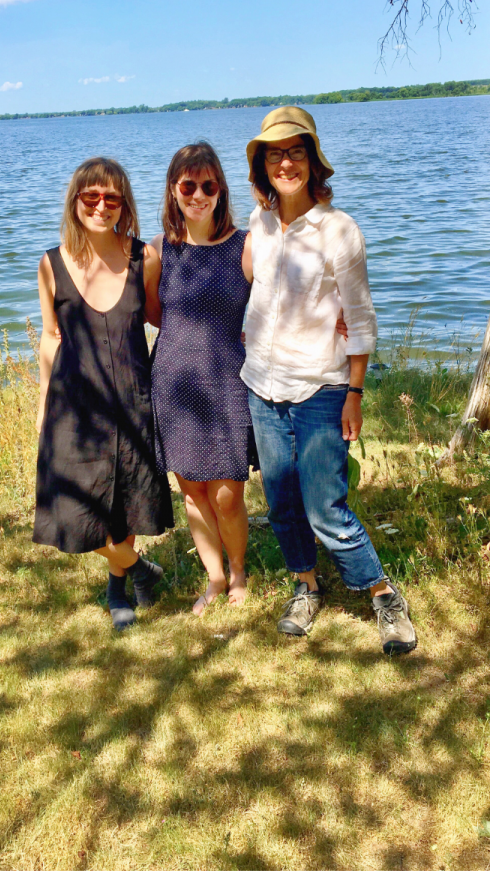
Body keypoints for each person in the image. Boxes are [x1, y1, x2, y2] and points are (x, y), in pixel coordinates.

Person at [241, 107, 417, 655]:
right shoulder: (260, 223)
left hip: (321, 387)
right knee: (281, 501)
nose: (286, 162)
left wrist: (355, 392)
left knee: (325, 505)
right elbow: (255, 282)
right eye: (275, 153)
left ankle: (384, 595)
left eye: (296, 152)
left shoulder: (339, 229)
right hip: (261, 385)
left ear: (313, 160)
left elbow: (361, 318)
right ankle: (306, 585)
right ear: (262, 164)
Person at [33, 157, 173, 631]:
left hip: (133, 397)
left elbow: (160, 317)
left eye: (111, 198)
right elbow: (51, 337)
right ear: (76, 201)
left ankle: (120, 588)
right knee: (73, 511)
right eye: (91, 197)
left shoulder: (143, 258)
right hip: (74, 404)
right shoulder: (52, 264)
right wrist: (41, 406)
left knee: (127, 500)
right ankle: (139, 568)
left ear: (123, 204)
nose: (101, 206)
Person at [150, 143, 254, 615]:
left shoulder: (245, 245)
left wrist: (334, 320)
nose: (198, 194)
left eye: (207, 185)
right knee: (191, 490)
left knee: (228, 494)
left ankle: (238, 573)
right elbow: (155, 314)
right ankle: (213, 579)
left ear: (220, 190)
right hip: (173, 380)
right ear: (174, 190)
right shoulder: (158, 250)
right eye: (187, 185)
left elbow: (282, 298)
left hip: (229, 380)